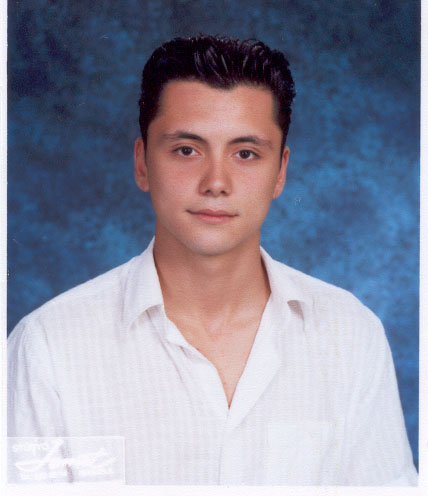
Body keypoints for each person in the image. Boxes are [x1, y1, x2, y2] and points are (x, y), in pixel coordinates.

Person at [8, 34, 417, 485]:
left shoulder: (350, 335)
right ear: (142, 163)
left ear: (280, 172)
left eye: (245, 153)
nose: (216, 182)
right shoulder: (50, 347)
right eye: (187, 150)